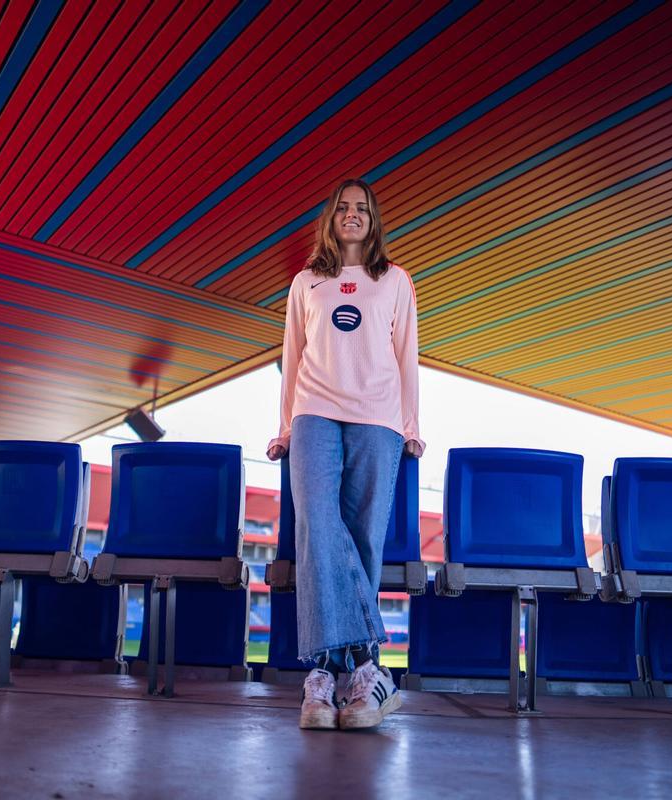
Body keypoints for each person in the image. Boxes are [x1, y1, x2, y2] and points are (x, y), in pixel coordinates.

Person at [267, 178, 423, 730]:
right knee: (315, 520)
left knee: (361, 536)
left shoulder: (395, 280)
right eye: (343, 208)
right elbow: (292, 354)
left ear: (373, 219)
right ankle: (365, 666)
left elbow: (407, 357)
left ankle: (336, 681)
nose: (352, 216)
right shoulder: (306, 282)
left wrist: (411, 425)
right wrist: (284, 428)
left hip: (378, 417)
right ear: (330, 219)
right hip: (314, 411)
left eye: (361, 209)